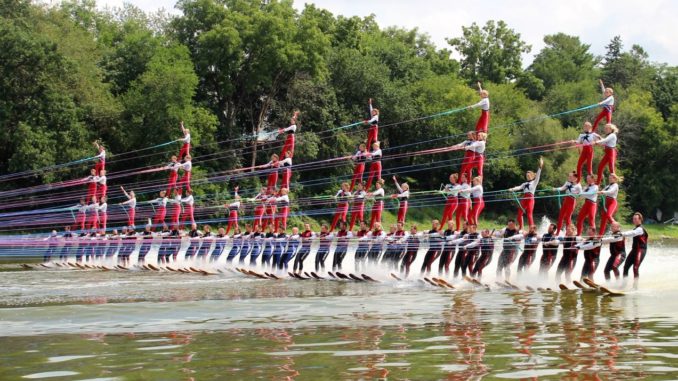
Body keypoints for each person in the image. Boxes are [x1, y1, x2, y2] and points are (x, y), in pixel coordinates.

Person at [509, 158, 543, 230]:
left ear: (532, 176)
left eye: (529, 175)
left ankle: (532, 229)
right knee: (519, 215)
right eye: (526, 175)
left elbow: (538, 175)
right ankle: (521, 228)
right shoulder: (524, 184)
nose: (527, 176)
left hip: (530, 198)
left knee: (529, 214)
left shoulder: (534, 182)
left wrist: (540, 166)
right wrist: (512, 189)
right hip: (524, 198)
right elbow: (519, 187)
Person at [622, 212, 649, 288]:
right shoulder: (636, 228)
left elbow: (632, 233)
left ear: (640, 219)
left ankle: (635, 286)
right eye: (633, 219)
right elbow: (631, 233)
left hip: (641, 250)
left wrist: (622, 234)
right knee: (626, 267)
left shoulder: (640, 229)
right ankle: (624, 284)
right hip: (634, 250)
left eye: (635, 219)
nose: (633, 220)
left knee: (635, 267)